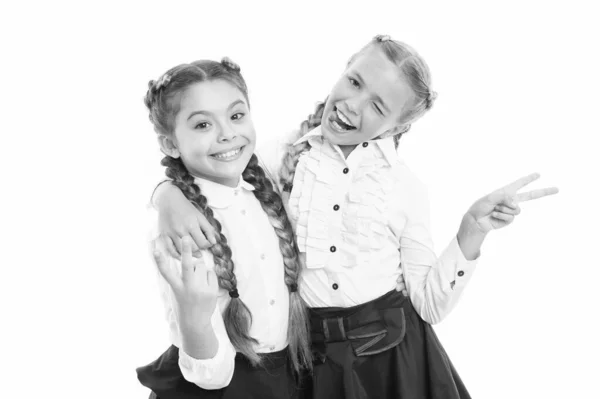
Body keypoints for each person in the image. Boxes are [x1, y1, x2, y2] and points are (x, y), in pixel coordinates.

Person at [153, 36, 558, 398]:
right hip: (308, 360)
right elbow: (213, 175)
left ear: (399, 125)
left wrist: (471, 232)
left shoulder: (402, 187)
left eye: (378, 106)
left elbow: (430, 305)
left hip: (390, 356)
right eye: (354, 81)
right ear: (344, 69)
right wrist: (168, 194)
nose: (352, 104)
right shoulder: (281, 156)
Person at [136, 58, 312, 399]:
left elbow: (319, 132)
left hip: (285, 380)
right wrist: (195, 318)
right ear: (170, 144)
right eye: (202, 125)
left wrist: (165, 193)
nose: (228, 133)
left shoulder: (269, 176)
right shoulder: (181, 233)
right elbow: (212, 377)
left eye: (236, 115)